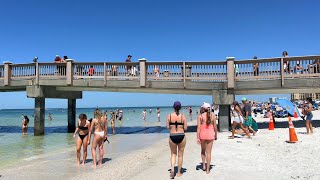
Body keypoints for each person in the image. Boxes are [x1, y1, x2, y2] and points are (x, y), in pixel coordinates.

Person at [166, 101, 187, 178]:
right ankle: (178, 172)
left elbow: (168, 127)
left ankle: (172, 170)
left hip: (172, 136)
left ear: (173, 107)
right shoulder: (183, 116)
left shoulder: (169, 116)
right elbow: (185, 128)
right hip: (181, 135)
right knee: (180, 155)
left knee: (173, 154)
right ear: (180, 108)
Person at [197, 102, 217, 174]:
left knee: (203, 150)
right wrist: (216, 135)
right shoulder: (213, 115)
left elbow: (198, 128)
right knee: (209, 153)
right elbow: (215, 127)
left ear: (203, 108)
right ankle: (208, 169)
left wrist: (197, 137)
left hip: (202, 135)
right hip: (210, 135)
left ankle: (203, 166)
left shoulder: (200, 116)